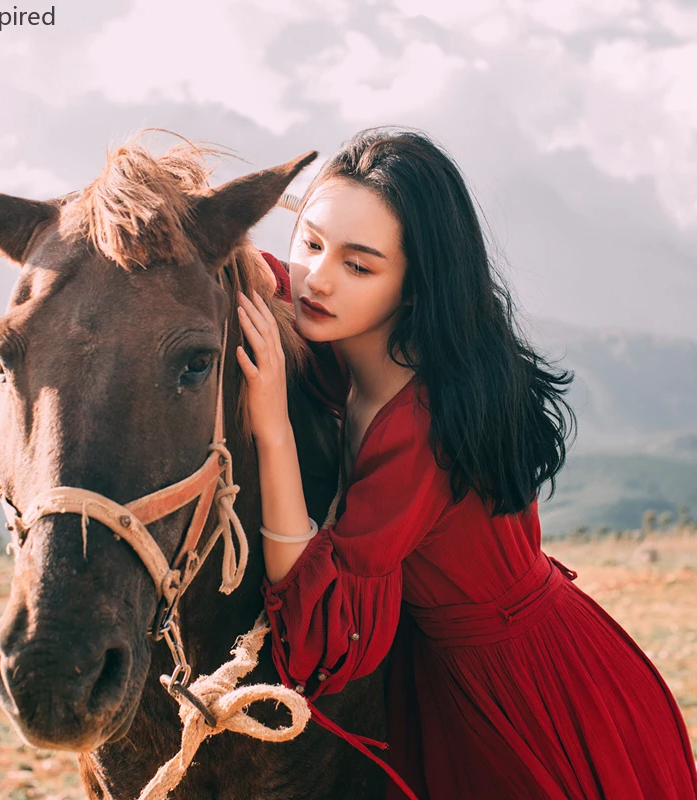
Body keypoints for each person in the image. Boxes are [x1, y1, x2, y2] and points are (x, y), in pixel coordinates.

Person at [234, 128, 697, 800]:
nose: (319, 278)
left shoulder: (420, 423)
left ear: (415, 285)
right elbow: (260, 271)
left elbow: (322, 634)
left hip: (523, 696)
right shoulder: (352, 338)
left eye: (359, 266)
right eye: (310, 242)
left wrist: (273, 427)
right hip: (463, 669)